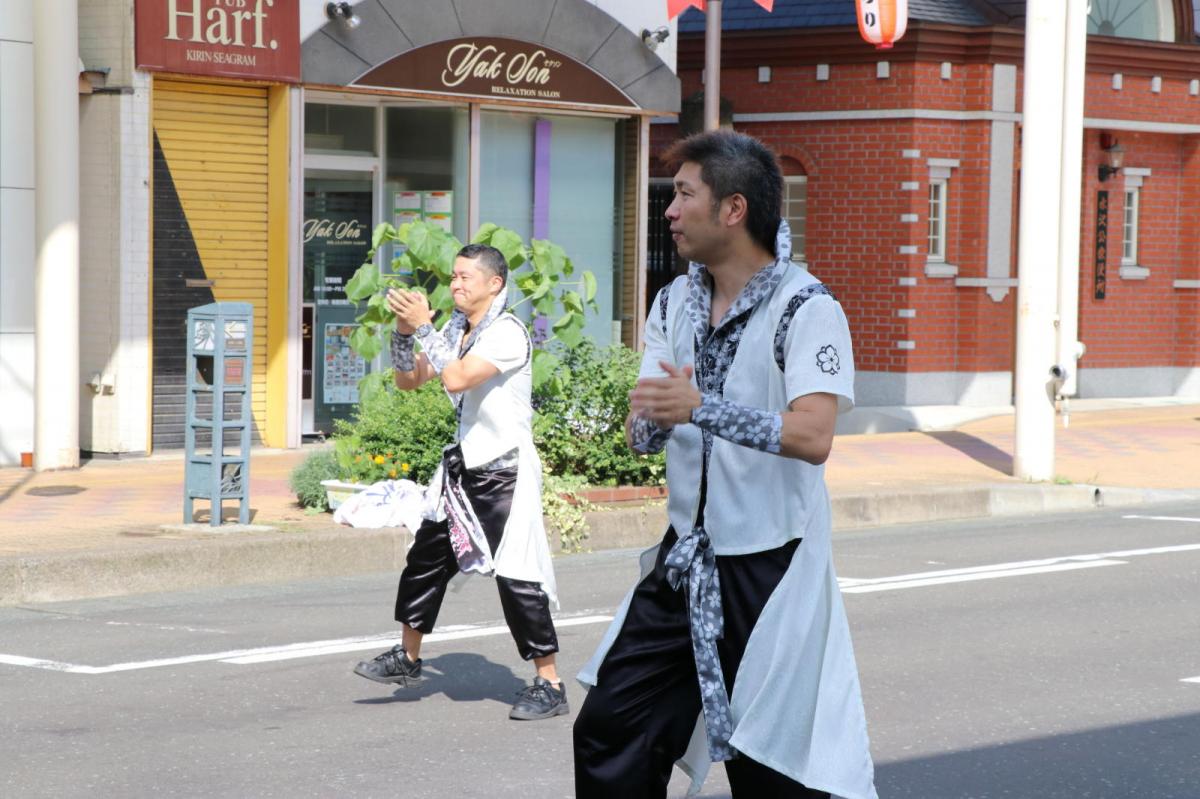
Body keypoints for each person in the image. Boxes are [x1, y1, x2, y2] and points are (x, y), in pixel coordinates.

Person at [572, 131, 877, 797]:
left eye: (685, 194)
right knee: (610, 726)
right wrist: (646, 418)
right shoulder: (672, 302)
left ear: (733, 209)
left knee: (772, 767)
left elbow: (814, 433)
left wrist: (699, 407)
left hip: (769, 567)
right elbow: (648, 430)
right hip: (685, 563)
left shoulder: (807, 306)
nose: (669, 211)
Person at [352, 243, 568, 722]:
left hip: (504, 473)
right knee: (426, 557)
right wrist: (406, 332)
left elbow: (456, 378)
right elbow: (411, 381)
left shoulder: (508, 332)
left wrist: (426, 326)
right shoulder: (457, 328)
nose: (455, 284)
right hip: (462, 468)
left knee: (518, 578)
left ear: (494, 284)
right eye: (453, 276)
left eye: (466, 277)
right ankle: (407, 658)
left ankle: (549, 683)